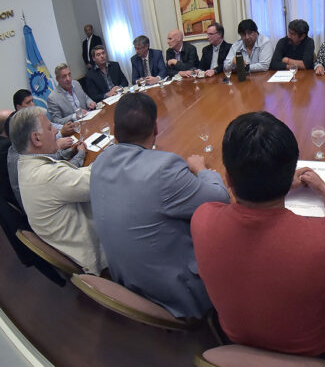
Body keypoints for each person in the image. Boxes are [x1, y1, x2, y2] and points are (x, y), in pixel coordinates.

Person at [192, 111, 325, 356]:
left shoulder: (202, 219)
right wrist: (324, 189)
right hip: (309, 352)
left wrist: (273, 185)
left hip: (235, 342)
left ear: (228, 177)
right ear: (290, 173)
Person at [90, 92, 229, 319]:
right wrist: (202, 170)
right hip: (176, 294)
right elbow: (220, 199)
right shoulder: (164, 169)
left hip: (126, 283)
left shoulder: (99, 163)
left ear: (115, 131)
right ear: (156, 128)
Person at [10, 106, 105, 274]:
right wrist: (111, 153)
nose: (55, 131)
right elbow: (99, 183)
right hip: (98, 252)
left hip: (76, 241)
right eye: (49, 128)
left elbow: (72, 177)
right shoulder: (47, 176)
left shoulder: (25, 165)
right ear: (36, 139)